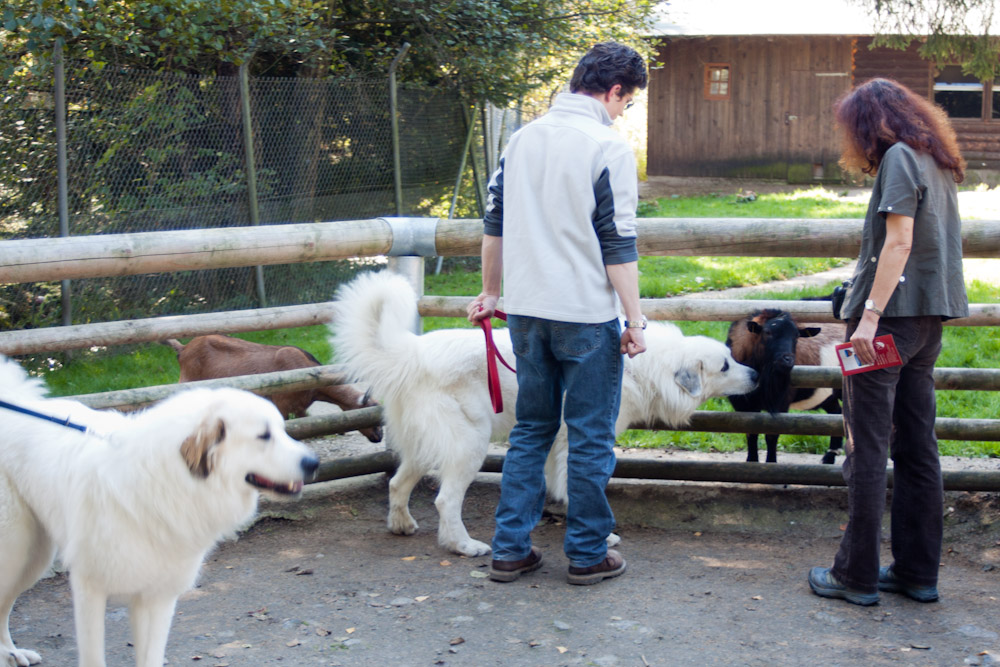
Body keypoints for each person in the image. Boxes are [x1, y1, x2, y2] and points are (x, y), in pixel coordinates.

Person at [465, 42, 648, 586]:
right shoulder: (607, 147)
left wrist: (491, 293)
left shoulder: (521, 140)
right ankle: (588, 554)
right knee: (590, 436)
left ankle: (509, 548)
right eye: (627, 102)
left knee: (530, 431)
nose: (623, 112)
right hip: (585, 314)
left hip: (524, 310)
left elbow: (493, 227)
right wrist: (635, 319)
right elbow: (618, 243)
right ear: (614, 90)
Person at [808, 78, 969, 605]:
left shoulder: (899, 157)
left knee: (865, 445)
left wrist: (868, 315)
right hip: (927, 326)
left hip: (887, 325)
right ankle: (917, 573)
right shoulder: (935, 159)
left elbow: (899, 242)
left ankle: (855, 575)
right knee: (919, 448)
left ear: (870, 122)